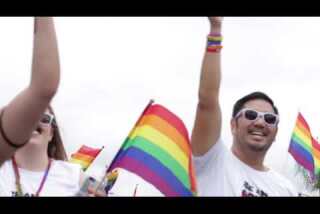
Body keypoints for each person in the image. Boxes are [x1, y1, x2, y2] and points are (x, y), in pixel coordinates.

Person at [191, 17, 297, 196]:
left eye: (270, 119)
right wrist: (216, 30)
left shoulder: (286, 189)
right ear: (233, 125)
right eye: (250, 115)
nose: (260, 123)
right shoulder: (212, 160)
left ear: (276, 132)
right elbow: (207, 101)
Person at [0, 17, 82, 196]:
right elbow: (43, 86)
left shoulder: (74, 177)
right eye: (27, 118)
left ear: (52, 133)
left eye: (45, 119)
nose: (34, 122)